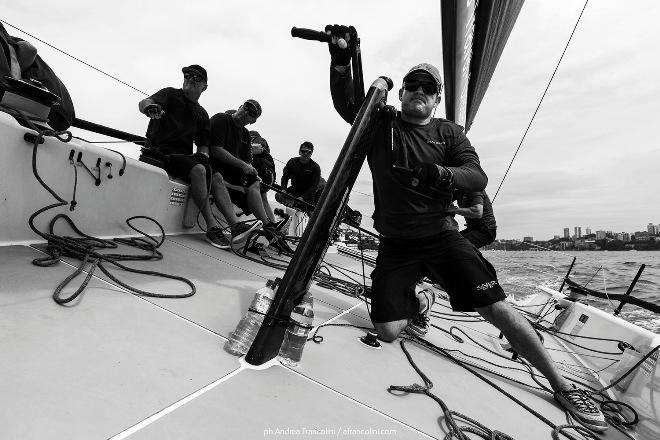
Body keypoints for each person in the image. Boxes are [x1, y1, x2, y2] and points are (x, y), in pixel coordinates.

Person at [324, 25, 606, 433]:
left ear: (437, 99)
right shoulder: (381, 123)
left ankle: (562, 386)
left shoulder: (449, 133)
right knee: (386, 332)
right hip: (396, 243)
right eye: (411, 84)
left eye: (428, 87)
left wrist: (440, 173)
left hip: (441, 237)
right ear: (401, 93)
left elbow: (477, 176)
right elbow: (347, 102)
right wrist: (340, 60)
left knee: (498, 310)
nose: (419, 90)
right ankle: (418, 300)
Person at [137, 65, 259, 249]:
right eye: (188, 75)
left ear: (204, 87)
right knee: (199, 169)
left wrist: (203, 155)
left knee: (215, 175)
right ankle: (212, 227)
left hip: (182, 157)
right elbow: (144, 102)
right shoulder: (170, 94)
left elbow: (203, 144)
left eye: (197, 78)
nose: (191, 79)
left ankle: (235, 227)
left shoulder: (202, 114)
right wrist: (150, 108)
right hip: (159, 151)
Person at [208, 100, 283, 238]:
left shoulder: (246, 135)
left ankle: (268, 227)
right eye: (246, 107)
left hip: (231, 176)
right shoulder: (221, 118)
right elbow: (216, 150)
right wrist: (243, 165)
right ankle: (236, 227)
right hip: (212, 168)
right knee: (218, 176)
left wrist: (253, 173)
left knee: (254, 182)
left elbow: (248, 164)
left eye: (251, 113)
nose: (246, 112)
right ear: (240, 106)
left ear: (252, 121)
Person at [275, 141, 325, 211]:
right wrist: (283, 189)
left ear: (311, 154)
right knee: (278, 195)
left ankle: (300, 206)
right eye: (303, 151)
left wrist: (303, 198)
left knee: (312, 212)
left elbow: (313, 187)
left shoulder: (316, 167)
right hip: (295, 190)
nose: (306, 154)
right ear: (299, 152)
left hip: (308, 194)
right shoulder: (292, 162)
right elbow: (285, 178)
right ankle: (295, 205)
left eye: (309, 152)